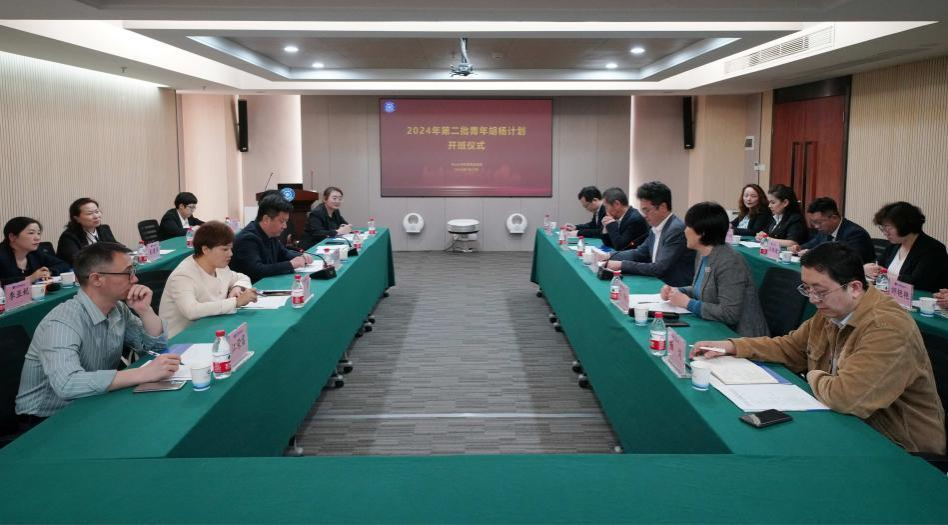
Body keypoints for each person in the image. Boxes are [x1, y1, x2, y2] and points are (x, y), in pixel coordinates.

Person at [692, 243, 945, 454]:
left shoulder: (887, 328)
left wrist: (812, 375)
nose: (813, 299)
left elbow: (846, 398)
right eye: (807, 289)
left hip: (899, 446)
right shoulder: (833, 309)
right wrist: (732, 346)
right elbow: (790, 347)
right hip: (849, 424)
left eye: (820, 291)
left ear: (855, 288)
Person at [15, 242, 180, 427]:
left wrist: (145, 311)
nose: (135, 279)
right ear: (96, 279)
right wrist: (142, 373)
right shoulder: (61, 322)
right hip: (45, 419)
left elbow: (155, 347)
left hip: (91, 400)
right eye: (127, 272)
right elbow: (67, 384)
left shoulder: (117, 309)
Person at [661, 202, 768, 337]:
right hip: (713, 327)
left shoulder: (730, 262)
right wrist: (676, 291)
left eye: (688, 226)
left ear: (702, 233)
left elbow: (730, 314)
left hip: (740, 337)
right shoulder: (702, 253)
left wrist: (688, 303)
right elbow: (703, 290)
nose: (684, 231)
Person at [159, 221, 257, 338]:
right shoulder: (183, 276)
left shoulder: (220, 267)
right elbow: (191, 311)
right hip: (181, 339)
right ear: (205, 249)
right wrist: (236, 302)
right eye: (225, 249)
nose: (231, 254)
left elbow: (242, 277)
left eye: (231, 249)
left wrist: (237, 287)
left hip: (211, 329)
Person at [604, 181, 695, 287]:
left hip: (674, 288)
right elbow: (638, 253)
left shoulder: (675, 230)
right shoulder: (655, 227)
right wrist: (608, 256)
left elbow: (659, 268)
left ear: (663, 207)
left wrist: (622, 265)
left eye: (647, 210)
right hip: (659, 283)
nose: (644, 215)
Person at [864, 202, 948, 293]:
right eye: (882, 228)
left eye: (888, 228)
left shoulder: (933, 249)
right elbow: (877, 264)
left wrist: (884, 274)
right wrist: (865, 268)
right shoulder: (895, 245)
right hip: (889, 297)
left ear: (905, 226)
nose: (885, 233)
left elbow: (917, 283)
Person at [231, 194, 312, 282]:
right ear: (266, 219)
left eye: (286, 222)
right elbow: (257, 270)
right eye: (282, 221)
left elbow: (284, 254)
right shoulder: (247, 239)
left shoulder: (271, 234)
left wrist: (301, 257)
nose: (285, 226)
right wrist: (290, 264)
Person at [789, 197, 874, 263]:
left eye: (818, 222)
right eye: (813, 222)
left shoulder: (855, 233)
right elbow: (812, 244)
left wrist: (812, 254)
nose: (816, 226)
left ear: (834, 218)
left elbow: (847, 260)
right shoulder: (824, 230)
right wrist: (799, 248)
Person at [0, 217, 70, 286]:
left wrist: (48, 272)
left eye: (38, 233)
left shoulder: (35, 253)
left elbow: (63, 264)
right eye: (31, 233)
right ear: (12, 237)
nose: (37, 238)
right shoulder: (2, 255)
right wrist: (30, 278)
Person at [56, 198, 117, 265]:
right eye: (89, 213)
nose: (96, 216)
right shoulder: (68, 237)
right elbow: (78, 261)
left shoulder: (104, 229)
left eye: (97, 212)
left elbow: (116, 248)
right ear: (77, 218)